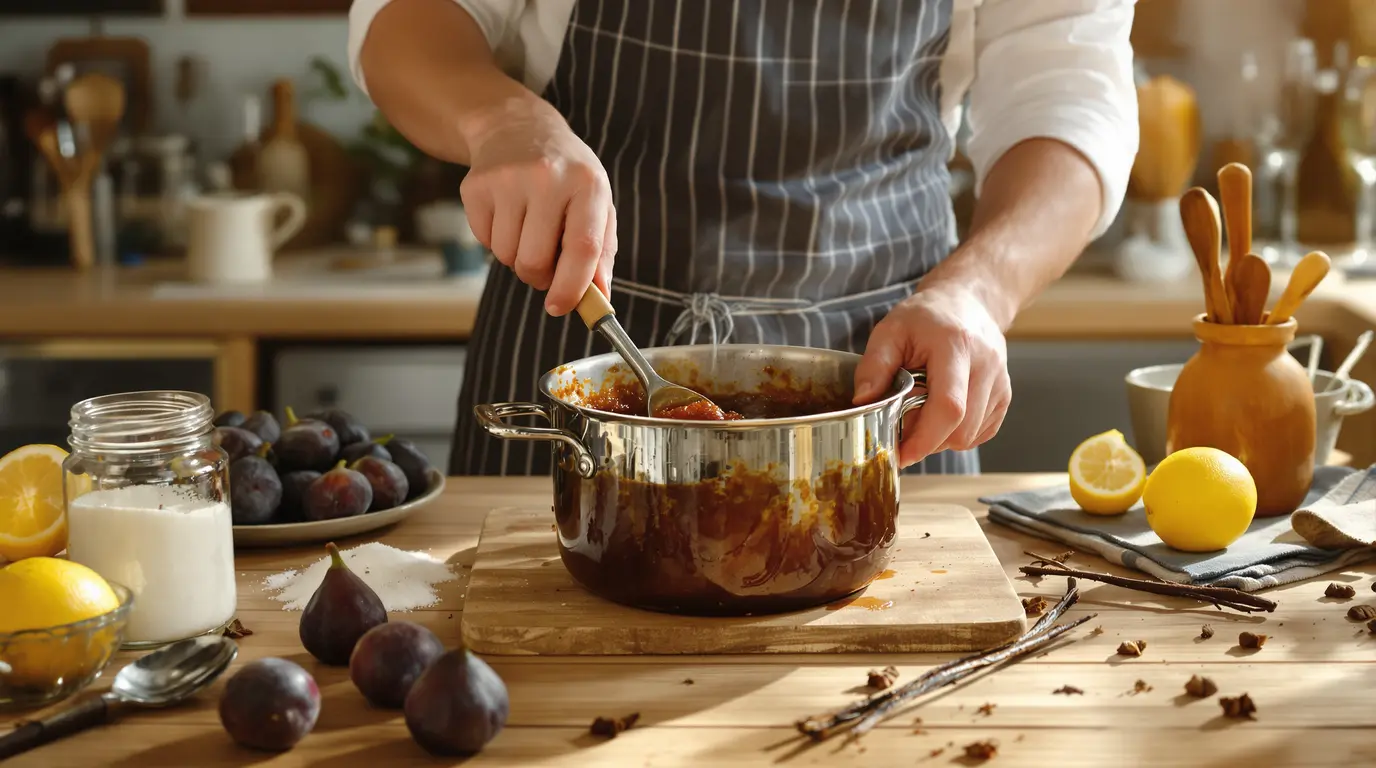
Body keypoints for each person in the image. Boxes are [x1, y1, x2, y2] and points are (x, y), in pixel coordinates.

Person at [348, 0, 1139, 476]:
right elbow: (407, 19)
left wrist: (977, 292)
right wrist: (504, 121)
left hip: (887, 375)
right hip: (582, 344)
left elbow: (1068, 96)